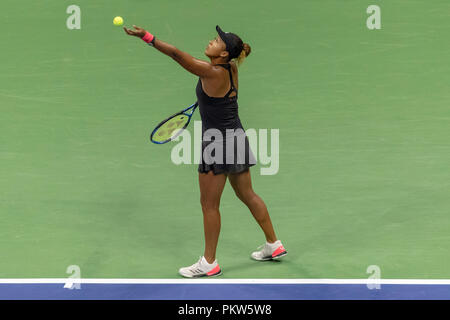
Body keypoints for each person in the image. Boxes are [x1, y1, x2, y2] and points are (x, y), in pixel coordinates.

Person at [124, 25, 287, 278]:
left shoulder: (210, 71)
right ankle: (273, 244)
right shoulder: (230, 68)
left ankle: (209, 262)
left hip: (217, 144)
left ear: (223, 54)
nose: (211, 41)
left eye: (217, 41)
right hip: (237, 137)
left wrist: (147, 37)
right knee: (247, 194)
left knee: (209, 204)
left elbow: (178, 55)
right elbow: (217, 96)